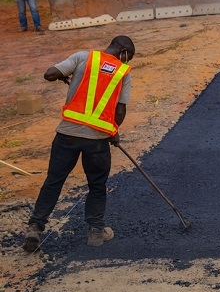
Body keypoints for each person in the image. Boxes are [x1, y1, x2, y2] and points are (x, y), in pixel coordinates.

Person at [22, 36, 136, 251]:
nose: (126, 62)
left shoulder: (83, 57)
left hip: (67, 134)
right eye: (127, 57)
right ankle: (95, 232)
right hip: (97, 141)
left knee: (54, 181)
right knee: (96, 185)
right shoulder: (122, 73)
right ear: (122, 51)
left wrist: (65, 75)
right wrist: (114, 132)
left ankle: (35, 227)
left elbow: (50, 74)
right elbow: (120, 110)